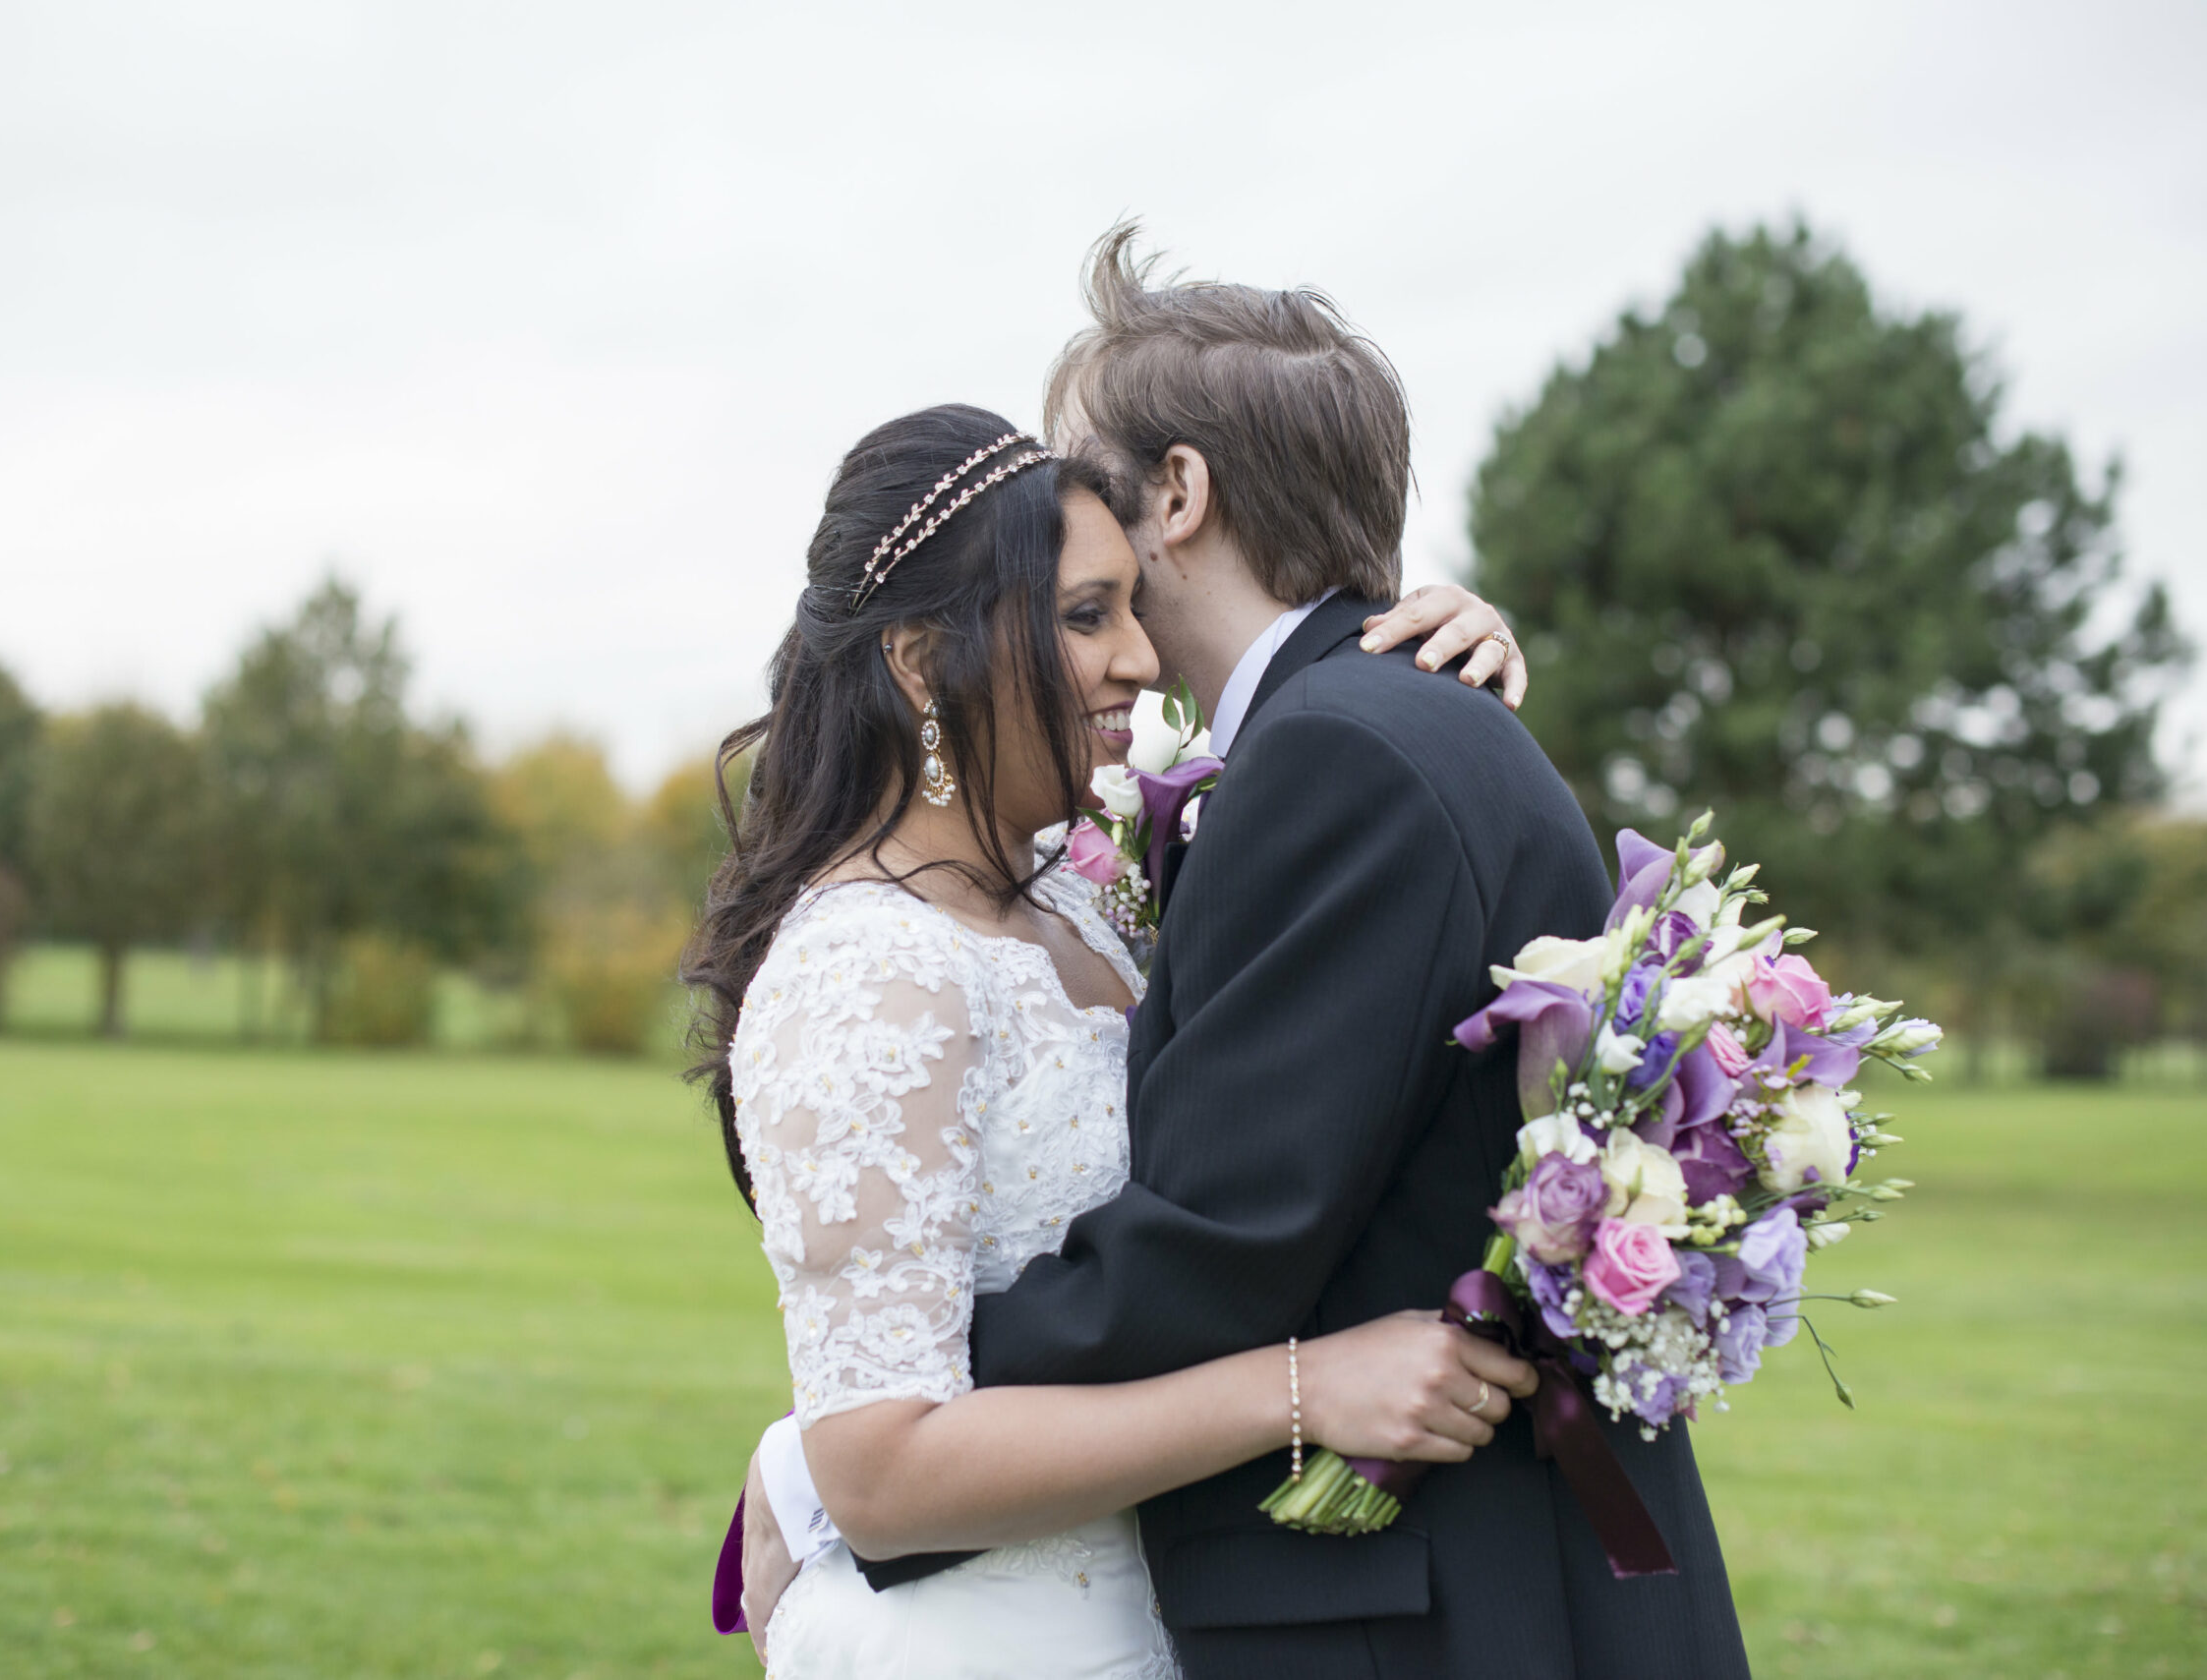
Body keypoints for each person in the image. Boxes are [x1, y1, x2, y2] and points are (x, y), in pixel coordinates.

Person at [726, 229, 1750, 1677]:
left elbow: (1215, 1245)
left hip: (1433, 1603)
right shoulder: (1348, 742)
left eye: (1081, 485)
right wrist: (859, 1434)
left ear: (1181, 493)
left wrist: (817, 1461)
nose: (1055, 504)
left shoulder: (1338, 751)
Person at [686, 399, 1539, 1679]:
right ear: (922, 661)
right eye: (1088, 616)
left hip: (1173, 1610)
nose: (1142, 657)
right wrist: (1302, 1390)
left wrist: (1418, 665)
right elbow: (878, 1469)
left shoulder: (1089, 884)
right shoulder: (865, 969)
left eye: (1136, 605)